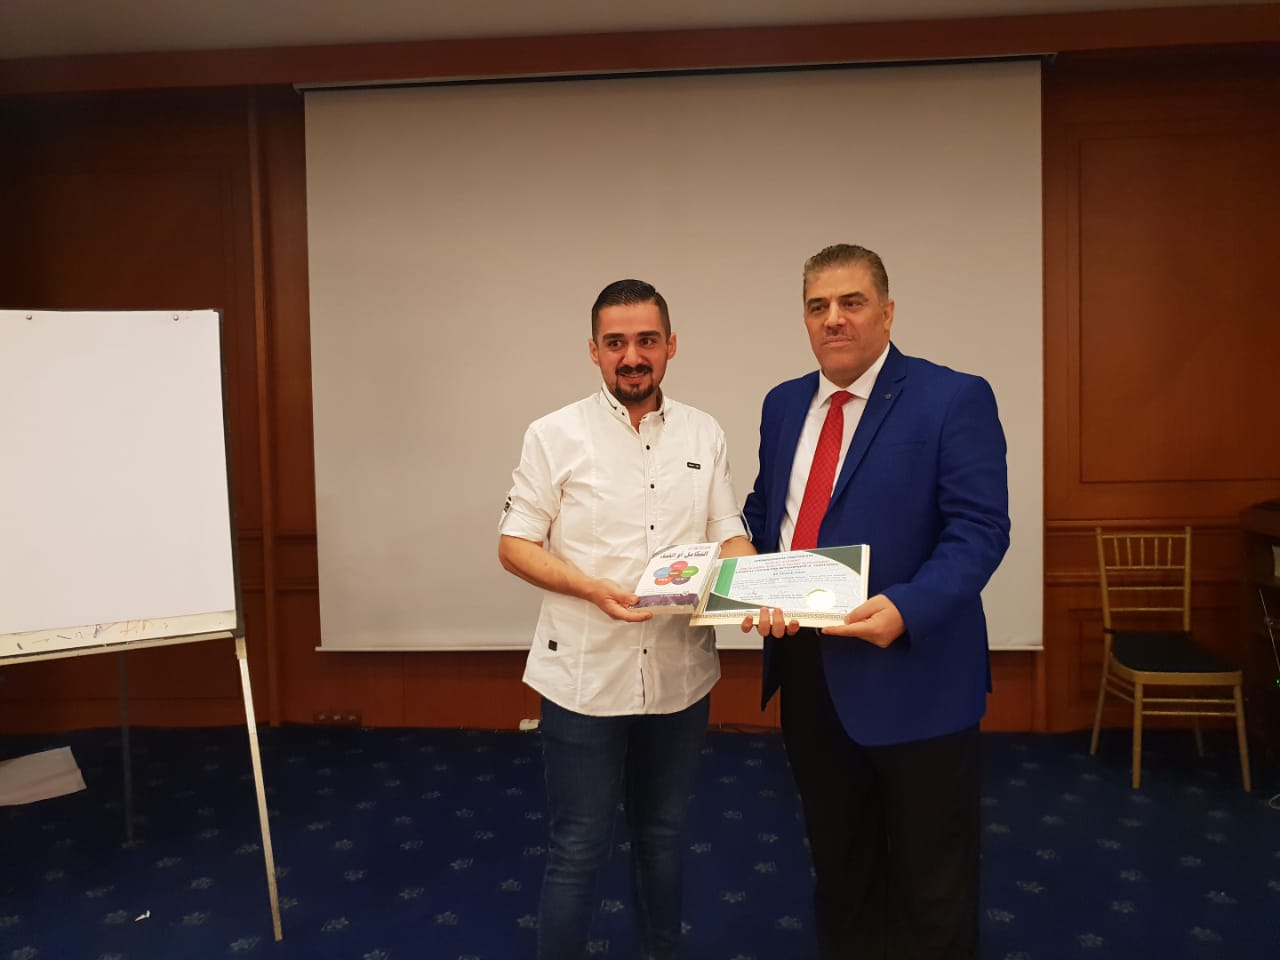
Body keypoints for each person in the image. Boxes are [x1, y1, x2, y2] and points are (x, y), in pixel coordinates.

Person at [741, 244, 1010, 960]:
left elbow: (980, 530)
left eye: (851, 302)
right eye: (818, 306)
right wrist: (739, 574)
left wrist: (908, 609)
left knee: (931, 881)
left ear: (886, 314)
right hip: (809, 675)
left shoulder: (953, 397)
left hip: (915, 673)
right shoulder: (782, 404)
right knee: (840, 869)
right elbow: (767, 514)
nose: (833, 318)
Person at [498, 278, 754, 960]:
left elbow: (728, 531)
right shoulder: (553, 435)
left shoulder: (704, 432)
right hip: (583, 678)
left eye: (646, 341)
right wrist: (589, 588)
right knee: (579, 845)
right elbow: (515, 545)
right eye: (616, 343)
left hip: (679, 677)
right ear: (594, 350)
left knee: (664, 837)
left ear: (671, 346)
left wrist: (752, 586)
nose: (632, 356)